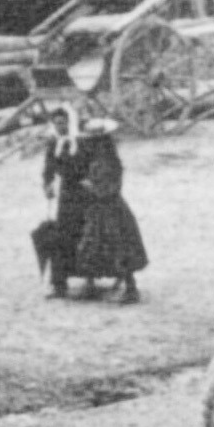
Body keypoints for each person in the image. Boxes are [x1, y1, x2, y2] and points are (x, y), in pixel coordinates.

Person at [68, 119, 148, 303]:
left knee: (118, 246)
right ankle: (92, 284)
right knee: (91, 245)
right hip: (98, 207)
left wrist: (92, 187)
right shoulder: (98, 157)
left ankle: (130, 288)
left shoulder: (108, 160)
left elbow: (112, 186)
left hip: (110, 208)